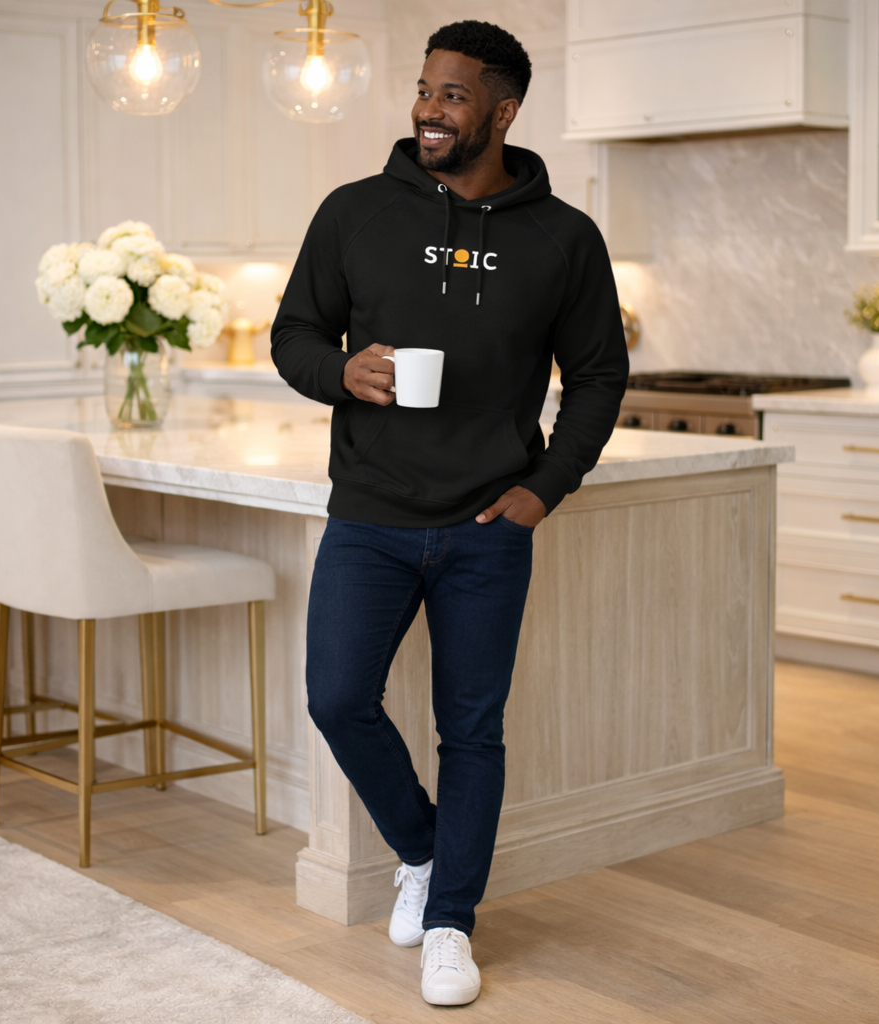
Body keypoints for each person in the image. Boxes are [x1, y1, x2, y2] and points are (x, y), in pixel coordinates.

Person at [271, 19, 628, 1007]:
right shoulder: (354, 213)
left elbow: (598, 376)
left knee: (471, 730)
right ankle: (424, 852)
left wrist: (542, 488)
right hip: (369, 515)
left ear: (504, 111)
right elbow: (293, 333)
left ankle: (451, 924)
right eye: (424, 89)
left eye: (453, 95)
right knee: (338, 698)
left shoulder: (563, 238)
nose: (428, 109)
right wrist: (340, 371)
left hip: (485, 531)